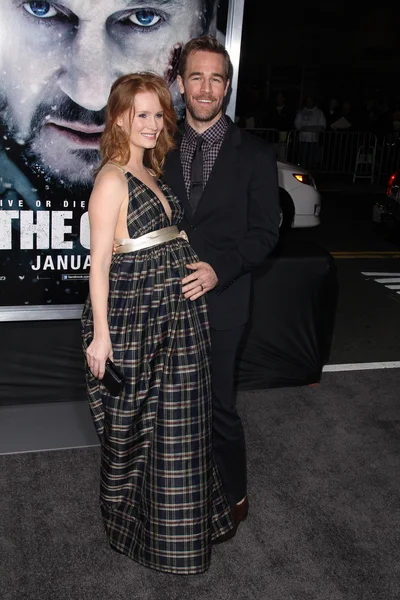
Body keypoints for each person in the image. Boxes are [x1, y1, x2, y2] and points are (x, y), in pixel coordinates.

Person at [81, 72, 234, 574]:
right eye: (140, 114)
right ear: (120, 117)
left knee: (181, 430)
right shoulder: (111, 178)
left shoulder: (152, 170)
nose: (152, 124)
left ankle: (180, 534)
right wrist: (101, 337)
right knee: (143, 431)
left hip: (177, 321)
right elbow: (99, 261)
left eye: (157, 114)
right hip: (137, 321)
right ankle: (134, 526)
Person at [0, 0, 218, 305]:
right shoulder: (116, 179)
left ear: (206, 30)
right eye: (41, 8)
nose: (91, 95)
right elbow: (101, 267)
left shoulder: (183, 171)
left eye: (144, 17)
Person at [163, 36, 280, 542]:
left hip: (223, 302)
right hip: (164, 303)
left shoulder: (254, 153)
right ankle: (177, 494)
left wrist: (219, 270)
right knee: (169, 405)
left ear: (227, 86)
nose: (206, 88)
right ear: (182, 83)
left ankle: (234, 497)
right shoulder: (159, 145)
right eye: (196, 77)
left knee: (217, 408)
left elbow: (265, 234)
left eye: (216, 78)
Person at [294, 95, 326, 168]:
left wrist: (306, 128)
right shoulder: (301, 113)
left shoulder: (319, 112)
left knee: (313, 161)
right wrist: (314, 128)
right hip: (303, 140)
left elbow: (322, 126)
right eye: (307, 101)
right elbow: (298, 126)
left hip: (314, 141)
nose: (309, 102)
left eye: (310, 100)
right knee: (303, 160)